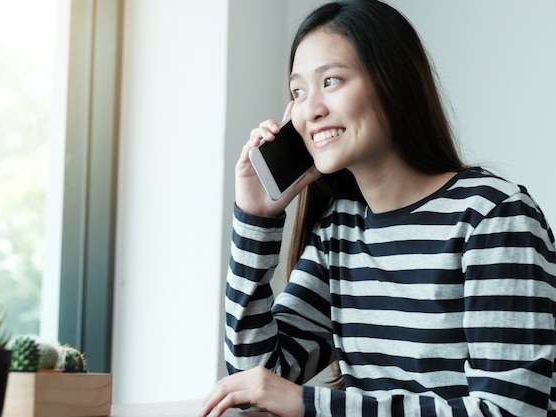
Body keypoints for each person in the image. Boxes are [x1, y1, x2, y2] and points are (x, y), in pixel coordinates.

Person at [200, 1, 556, 416]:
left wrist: (308, 404)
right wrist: (257, 219)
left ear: (393, 82)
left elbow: (511, 411)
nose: (310, 109)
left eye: (331, 80)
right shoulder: (341, 229)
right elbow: (255, 374)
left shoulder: (493, 217)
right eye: (298, 91)